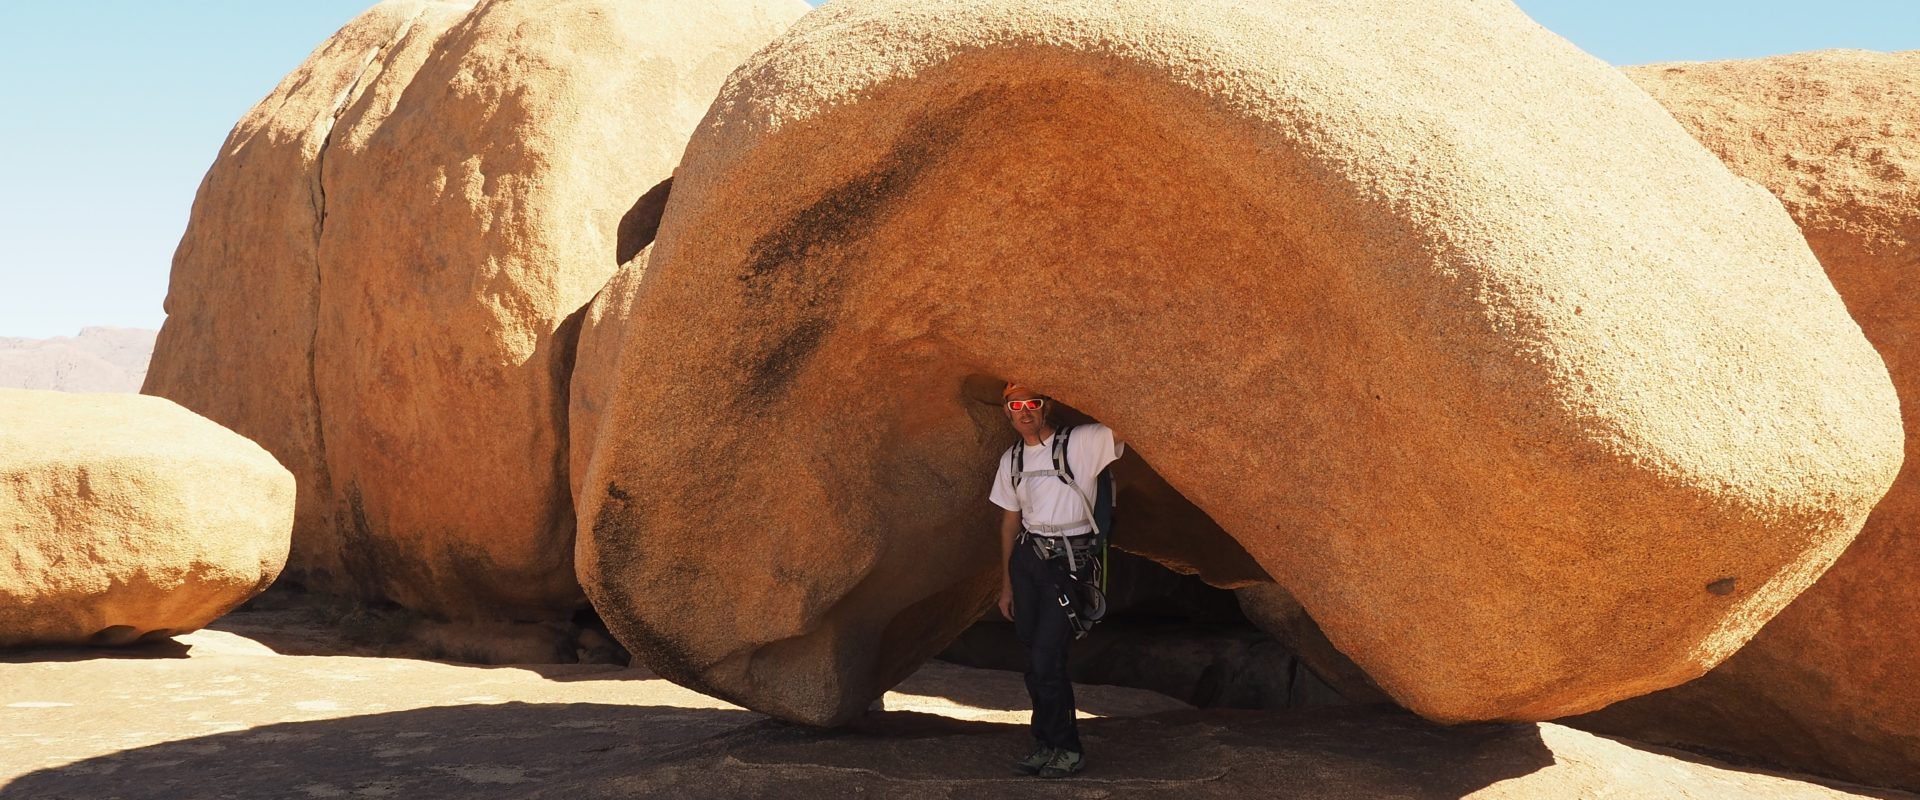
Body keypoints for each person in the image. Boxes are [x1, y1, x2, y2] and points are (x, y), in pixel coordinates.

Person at [989, 383, 1123, 779]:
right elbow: (1009, 521)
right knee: (1035, 659)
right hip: (1028, 561)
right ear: (1007, 412)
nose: (1025, 411)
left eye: (1033, 403)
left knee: (1048, 658)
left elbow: (1127, 425)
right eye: (1017, 405)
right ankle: (1045, 743)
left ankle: (1067, 748)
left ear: (1047, 406)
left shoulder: (1082, 443)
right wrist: (1006, 583)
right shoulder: (1011, 459)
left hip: (1068, 562)